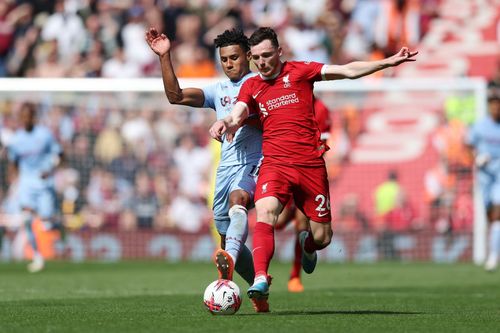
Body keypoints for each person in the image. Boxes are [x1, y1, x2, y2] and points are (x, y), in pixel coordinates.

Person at [210, 27, 417, 311]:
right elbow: (239, 111)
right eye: (256, 57)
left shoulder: (300, 71)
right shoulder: (252, 85)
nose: (262, 63)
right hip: (275, 163)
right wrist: (227, 122)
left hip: (310, 167)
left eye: (267, 55)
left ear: (279, 52)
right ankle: (260, 279)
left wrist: (386, 62)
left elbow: (346, 71)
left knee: (322, 237)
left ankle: (308, 245)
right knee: (266, 211)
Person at [145, 27, 268, 311]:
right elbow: (175, 95)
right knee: (226, 238)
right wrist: (165, 56)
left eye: (234, 57)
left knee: (240, 201)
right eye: (224, 59)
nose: (229, 64)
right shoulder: (218, 90)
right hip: (225, 168)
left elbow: (254, 115)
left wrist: (231, 120)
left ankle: (227, 273)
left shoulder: (260, 84)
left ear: (248, 56)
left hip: (254, 161)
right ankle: (259, 292)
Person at [274, 96, 331, 293]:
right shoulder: (284, 101)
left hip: (307, 172)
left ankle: (294, 276)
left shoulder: (321, 109)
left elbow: (322, 145)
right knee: (278, 222)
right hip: (283, 168)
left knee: (302, 224)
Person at [7, 102, 63, 273]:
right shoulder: (16, 139)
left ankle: (57, 225)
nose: (26, 119)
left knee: (46, 222)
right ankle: (37, 256)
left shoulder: (44, 135)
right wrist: (15, 180)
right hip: (27, 184)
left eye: (29, 115)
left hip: (44, 184)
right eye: (23, 116)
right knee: (27, 219)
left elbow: (59, 155)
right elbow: (14, 162)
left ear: (34, 117)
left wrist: (51, 169)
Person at [466, 89, 500, 271]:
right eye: (493, 104)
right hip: (484, 174)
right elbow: (468, 145)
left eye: (498, 104)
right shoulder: (480, 126)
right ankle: (494, 247)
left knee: (497, 212)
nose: (496, 108)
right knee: (490, 214)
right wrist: (476, 157)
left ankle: (493, 256)